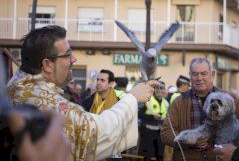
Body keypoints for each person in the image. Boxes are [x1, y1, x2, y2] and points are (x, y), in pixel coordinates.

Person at [7, 25, 158, 160]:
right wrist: (133, 98)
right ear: (47, 64)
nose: (74, 58)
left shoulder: (16, 85)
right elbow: (96, 132)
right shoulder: (47, 104)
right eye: (67, 54)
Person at [160, 58, 239, 161]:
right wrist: (190, 141)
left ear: (212, 74)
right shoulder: (178, 102)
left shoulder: (229, 99)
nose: (199, 78)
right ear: (190, 75)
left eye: (204, 74)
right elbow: (166, 133)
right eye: (195, 74)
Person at [138, 81, 169, 161]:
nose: (159, 90)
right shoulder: (147, 100)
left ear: (165, 90)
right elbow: (139, 114)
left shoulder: (166, 103)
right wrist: (152, 116)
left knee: (159, 156)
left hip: (160, 136)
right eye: (156, 88)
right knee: (147, 156)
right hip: (148, 135)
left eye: (161, 88)